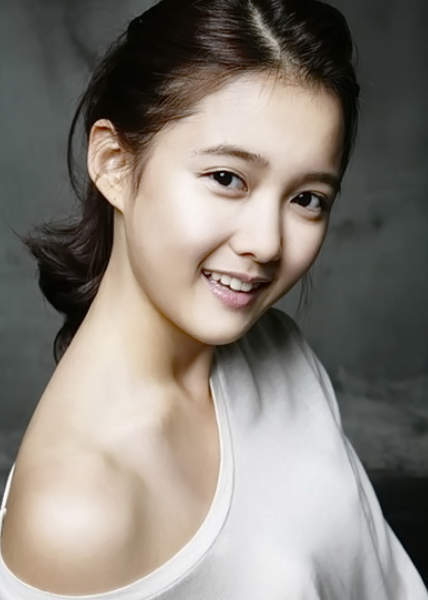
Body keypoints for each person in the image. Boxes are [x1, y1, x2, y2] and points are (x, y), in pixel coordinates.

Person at [0, 0, 426, 598]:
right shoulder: (77, 513)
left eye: (307, 198)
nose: (267, 244)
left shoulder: (279, 351)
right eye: (227, 178)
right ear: (115, 165)